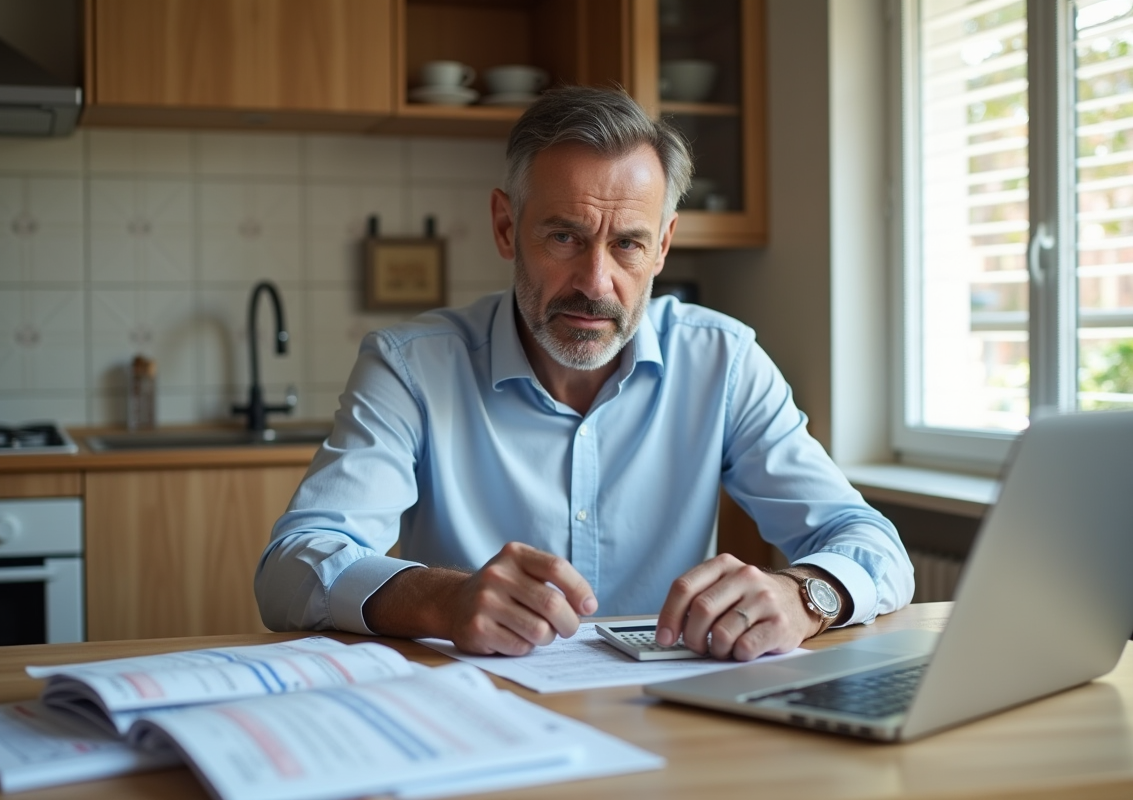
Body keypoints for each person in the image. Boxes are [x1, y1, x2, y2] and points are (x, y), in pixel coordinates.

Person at [255, 86, 913, 661]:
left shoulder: (724, 362)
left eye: (627, 242)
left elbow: (870, 545)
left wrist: (805, 595)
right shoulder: (410, 366)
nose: (595, 283)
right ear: (506, 227)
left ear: (662, 246)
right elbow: (291, 570)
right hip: (478, 720)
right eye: (564, 237)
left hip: (671, 725)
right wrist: (441, 600)